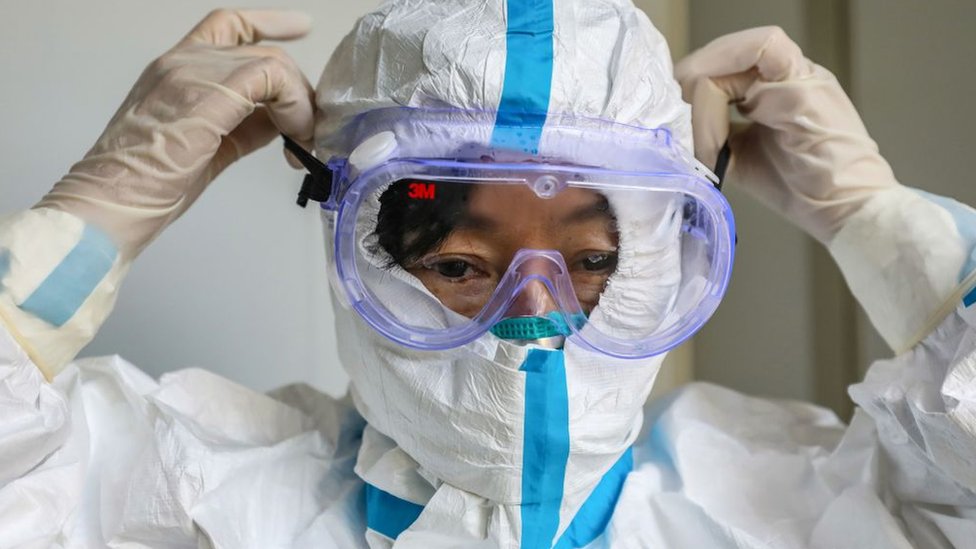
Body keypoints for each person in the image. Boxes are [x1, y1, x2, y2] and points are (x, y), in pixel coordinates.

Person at [2, 2, 975, 548]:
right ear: (364, 255)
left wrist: (881, 226)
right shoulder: (186, 489)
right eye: (464, 265)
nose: (535, 316)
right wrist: (96, 211)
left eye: (591, 261)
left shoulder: (799, 506)